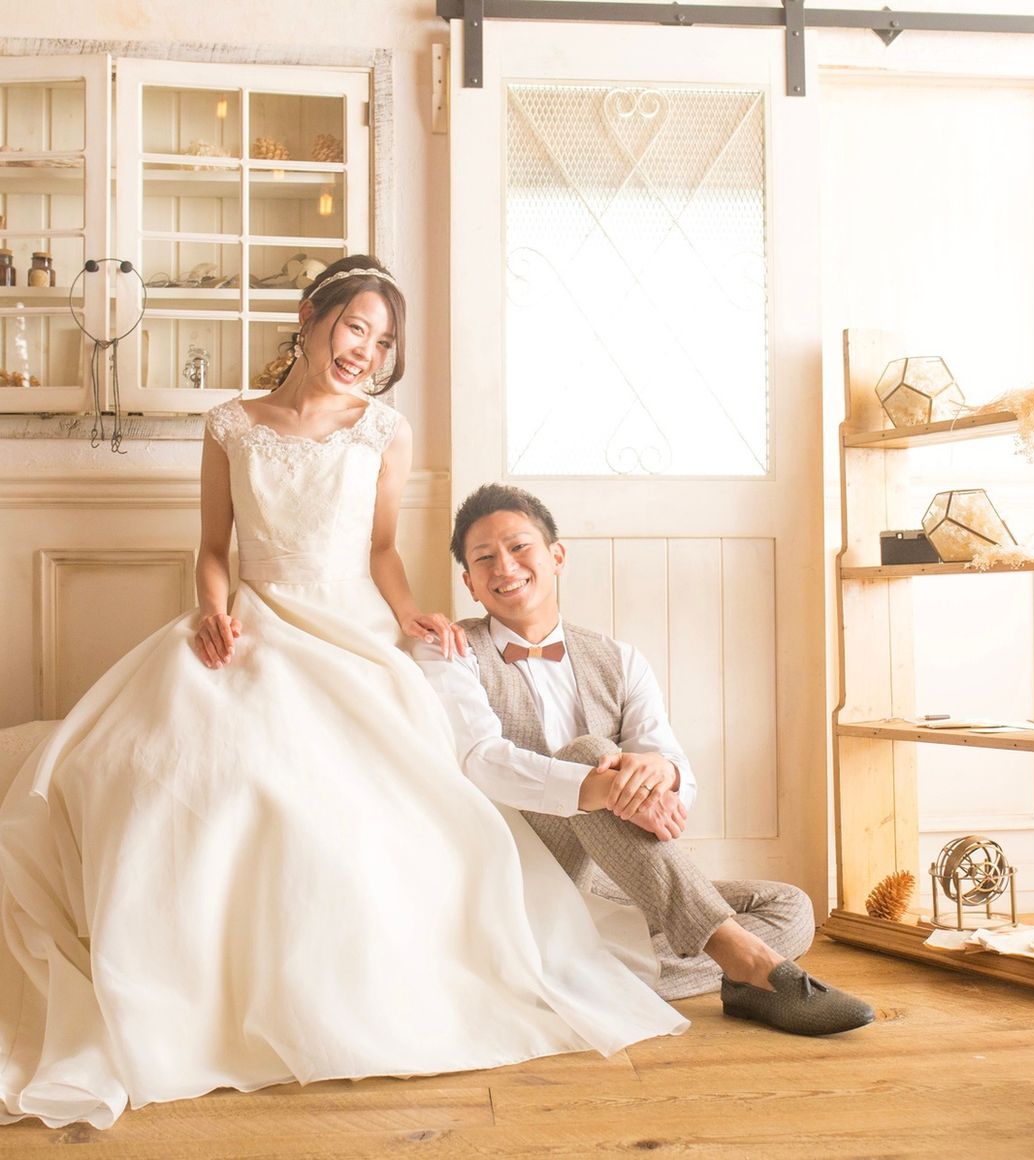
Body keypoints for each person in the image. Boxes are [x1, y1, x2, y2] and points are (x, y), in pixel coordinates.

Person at [0, 257, 687, 1130]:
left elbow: (382, 550)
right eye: (356, 326)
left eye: (384, 340)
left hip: (353, 632)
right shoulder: (230, 424)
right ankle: (200, 992)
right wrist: (212, 612)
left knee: (382, 804)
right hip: (255, 624)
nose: (367, 350)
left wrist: (412, 615)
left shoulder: (383, 431)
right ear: (310, 316)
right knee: (161, 773)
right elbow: (213, 548)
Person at [414, 484, 875, 1037]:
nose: (504, 567)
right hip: (512, 862)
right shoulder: (448, 650)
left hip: (614, 872)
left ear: (556, 555)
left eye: (518, 547)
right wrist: (601, 784)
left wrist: (664, 772)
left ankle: (575, 973)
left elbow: (668, 759)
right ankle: (746, 960)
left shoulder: (619, 658)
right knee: (593, 755)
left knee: (789, 906)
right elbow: (482, 760)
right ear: (469, 582)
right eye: (484, 558)